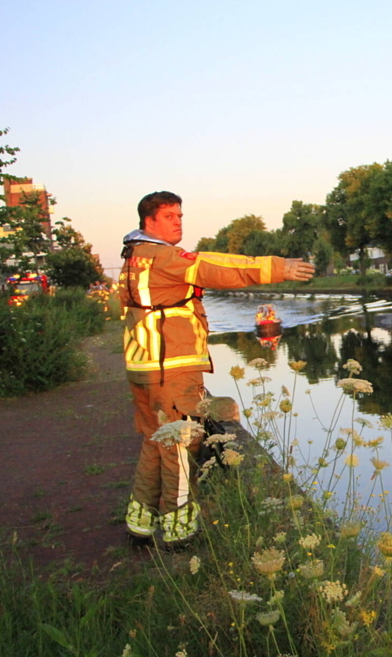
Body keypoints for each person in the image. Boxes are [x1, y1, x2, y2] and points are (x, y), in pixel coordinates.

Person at [119, 191, 314, 548]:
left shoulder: (134, 257)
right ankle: (180, 533)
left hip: (143, 368)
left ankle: (140, 524)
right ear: (149, 222)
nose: (178, 221)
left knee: (153, 441)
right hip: (172, 369)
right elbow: (212, 266)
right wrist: (276, 268)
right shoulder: (163, 257)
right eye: (169, 217)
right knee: (180, 445)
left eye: (180, 215)